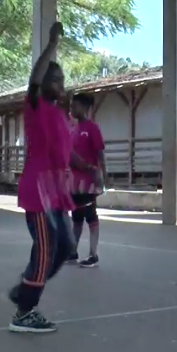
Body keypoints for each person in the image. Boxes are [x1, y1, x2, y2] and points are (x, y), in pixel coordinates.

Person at [5, 21, 77, 333]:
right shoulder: (35, 106)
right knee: (46, 251)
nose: (60, 83)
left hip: (58, 192)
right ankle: (23, 312)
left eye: (62, 79)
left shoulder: (61, 115)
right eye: (55, 78)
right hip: (39, 193)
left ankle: (25, 289)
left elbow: (65, 152)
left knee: (64, 247)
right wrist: (52, 44)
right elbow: (35, 77)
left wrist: (87, 168)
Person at [68, 92, 106, 267]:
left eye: (74, 106)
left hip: (89, 181)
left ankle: (93, 255)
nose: (71, 108)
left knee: (91, 216)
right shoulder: (74, 129)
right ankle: (73, 252)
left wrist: (102, 177)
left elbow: (100, 154)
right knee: (76, 217)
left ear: (85, 107)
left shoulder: (92, 128)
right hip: (75, 183)